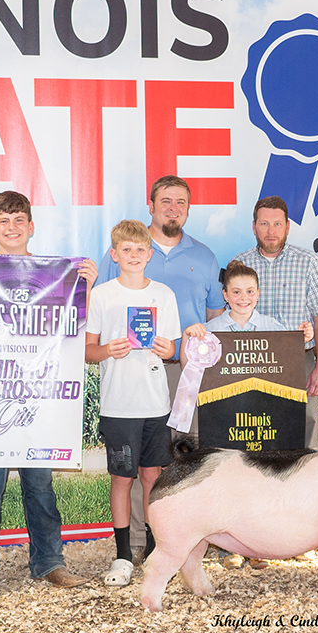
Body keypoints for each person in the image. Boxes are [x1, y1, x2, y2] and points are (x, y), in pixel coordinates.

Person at [0, 191, 93, 602]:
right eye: (3, 221)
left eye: (18, 220)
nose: (11, 227)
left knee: (40, 487)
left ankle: (49, 562)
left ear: (31, 226)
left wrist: (87, 285)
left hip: (38, 399)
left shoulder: (55, 275)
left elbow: (72, 324)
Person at [97, 175, 224, 559]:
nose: (173, 208)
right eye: (165, 200)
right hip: (136, 374)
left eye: (181, 202)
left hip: (190, 371)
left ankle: (189, 539)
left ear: (188, 208)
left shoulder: (205, 256)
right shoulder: (123, 253)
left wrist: (203, 357)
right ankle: (138, 543)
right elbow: (100, 312)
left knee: (185, 458)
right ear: (151, 205)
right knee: (134, 469)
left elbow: (215, 315)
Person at [85, 220, 201, 587]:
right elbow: (88, 351)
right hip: (118, 406)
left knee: (152, 476)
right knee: (122, 478)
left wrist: (168, 349)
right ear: (114, 254)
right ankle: (122, 555)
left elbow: (172, 350)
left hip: (155, 405)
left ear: (149, 254)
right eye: (126, 250)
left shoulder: (163, 295)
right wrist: (108, 350)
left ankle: (154, 549)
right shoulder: (102, 295)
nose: (133, 255)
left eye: (140, 250)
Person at [203, 259, 311, 571]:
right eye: (236, 292)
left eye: (250, 291)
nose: (243, 297)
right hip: (226, 420)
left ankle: (264, 544)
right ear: (225, 295)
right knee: (229, 481)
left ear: (259, 293)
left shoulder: (274, 327)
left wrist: (301, 339)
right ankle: (229, 546)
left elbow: (289, 360)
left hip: (266, 421)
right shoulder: (212, 330)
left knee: (264, 481)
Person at [232, 196, 318, 449]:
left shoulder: (309, 262)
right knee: (254, 431)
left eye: (277, 224)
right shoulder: (239, 264)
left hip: (299, 361)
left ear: (288, 226)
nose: (271, 231)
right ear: (254, 226)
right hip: (252, 361)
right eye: (264, 224)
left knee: (304, 430)